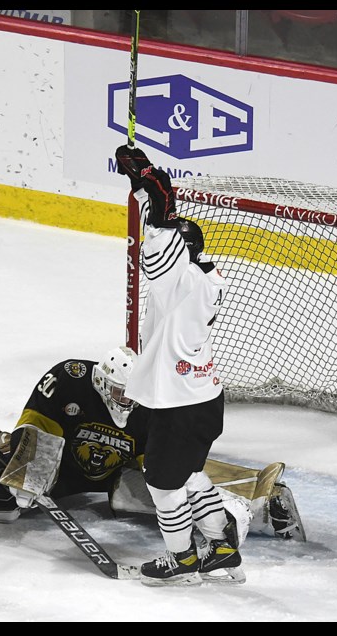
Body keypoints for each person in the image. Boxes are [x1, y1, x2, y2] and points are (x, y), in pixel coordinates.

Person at [0, 347, 306, 575]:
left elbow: (167, 463)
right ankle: (3, 466)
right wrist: (28, 473)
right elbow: (37, 426)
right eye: (119, 393)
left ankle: (259, 493)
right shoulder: (68, 379)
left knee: (159, 480)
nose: (127, 401)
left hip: (118, 471)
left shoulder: (150, 403)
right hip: (60, 469)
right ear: (101, 381)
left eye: (133, 394)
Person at [108, 144, 243, 586]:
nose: (155, 249)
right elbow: (162, 230)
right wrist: (140, 190)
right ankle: (221, 548)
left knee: (164, 486)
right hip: (202, 398)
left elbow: (162, 227)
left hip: (179, 404)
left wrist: (150, 181)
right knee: (190, 476)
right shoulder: (198, 278)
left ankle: (181, 559)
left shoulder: (178, 281)